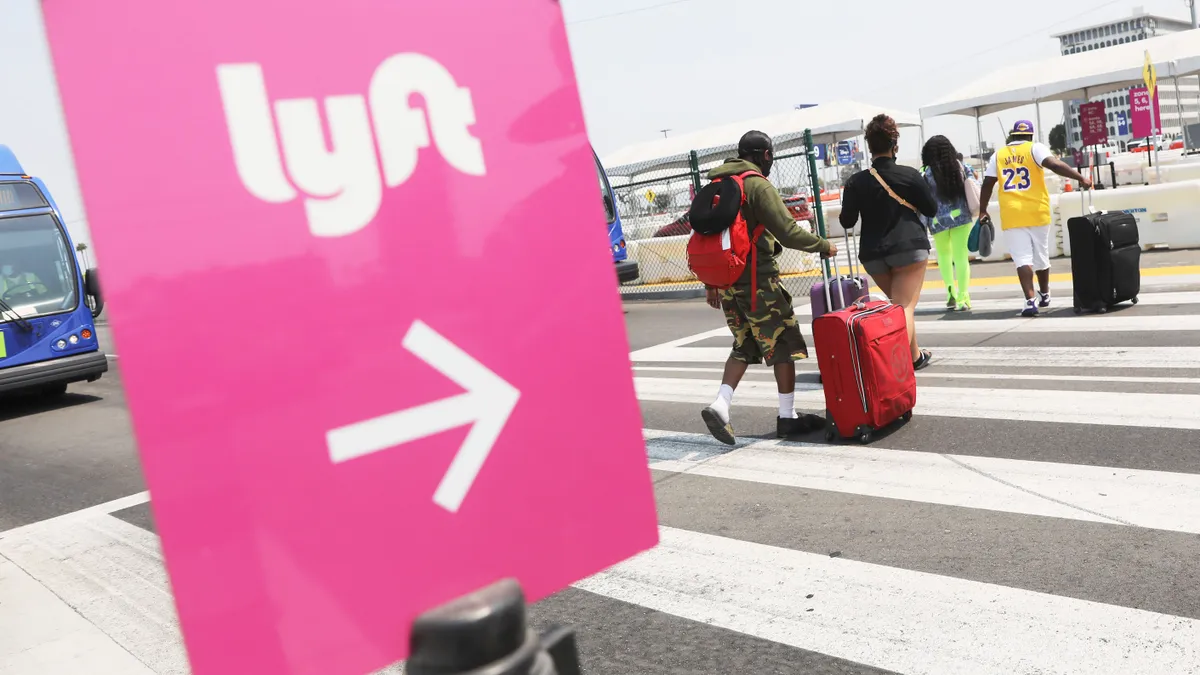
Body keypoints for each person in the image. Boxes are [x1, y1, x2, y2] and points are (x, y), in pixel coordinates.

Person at [701, 130, 838, 446]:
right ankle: (787, 418)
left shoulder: (718, 185)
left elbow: (709, 236)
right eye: (770, 155)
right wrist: (822, 245)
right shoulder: (757, 185)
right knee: (784, 344)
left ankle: (720, 404)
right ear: (764, 154)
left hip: (727, 284)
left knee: (745, 343)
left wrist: (712, 283)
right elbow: (787, 231)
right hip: (758, 283)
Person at [839, 114, 938, 371]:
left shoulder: (855, 181)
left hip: (873, 255)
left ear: (869, 147)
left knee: (900, 304)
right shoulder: (909, 175)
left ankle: (914, 356)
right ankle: (893, 370)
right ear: (895, 144)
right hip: (908, 248)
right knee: (903, 307)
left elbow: (847, 221)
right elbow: (931, 209)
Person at [978, 121, 1092, 317]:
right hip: (1037, 211)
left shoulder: (998, 155)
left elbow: (987, 183)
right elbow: (1055, 165)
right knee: (1041, 255)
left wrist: (983, 210)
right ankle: (1045, 294)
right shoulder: (1035, 148)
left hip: (1012, 213)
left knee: (1022, 259)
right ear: (1030, 136)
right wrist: (1080, 178)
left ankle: (1030, 301)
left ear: (1013, 136)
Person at [922, 136, 975, 311]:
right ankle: (964, 297)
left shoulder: (926, 173)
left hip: (937, 220)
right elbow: (974, 183)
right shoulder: (961, 167)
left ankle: (950, 291)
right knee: (961, 257)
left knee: (944, 256)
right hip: (961, 216)